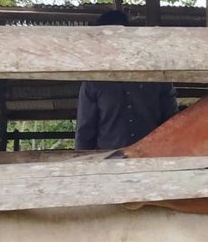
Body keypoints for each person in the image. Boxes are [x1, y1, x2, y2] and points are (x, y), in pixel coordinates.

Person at [74, 10, 179, 150]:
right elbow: (85, 131)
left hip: (151, 160)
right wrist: (85, 167)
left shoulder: (155, 76)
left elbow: (172, 123)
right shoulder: (94, 81)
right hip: (110, 164)